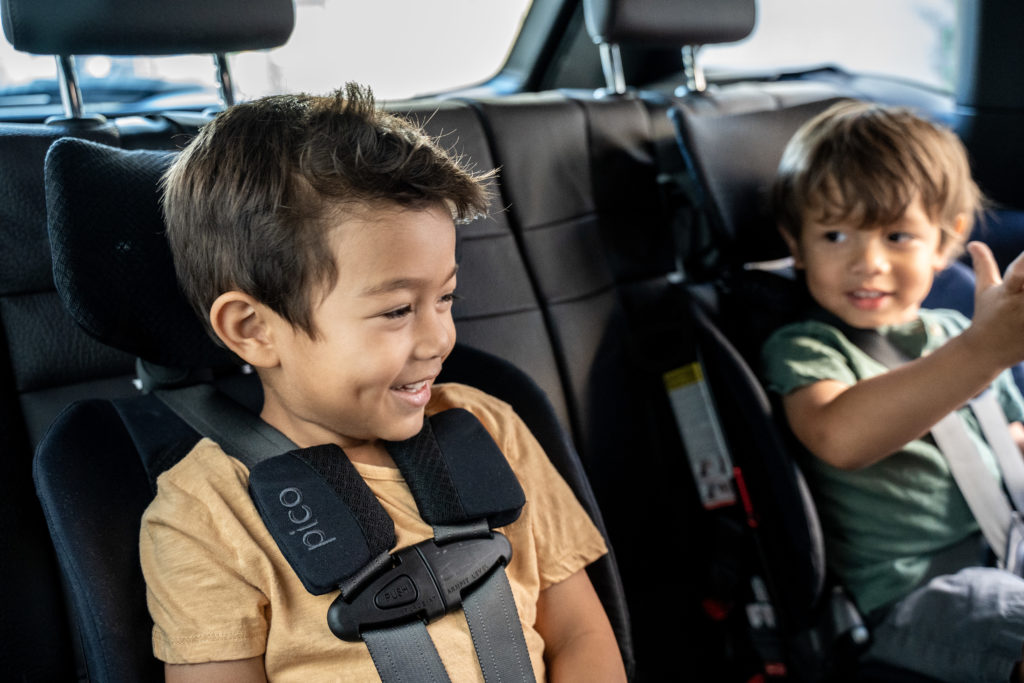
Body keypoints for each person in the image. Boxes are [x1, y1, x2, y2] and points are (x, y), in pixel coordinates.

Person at [139, 83, 626, 682]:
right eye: (397, 311)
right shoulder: (206, 515)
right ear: (254, 329)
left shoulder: (490, 427)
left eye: (445, 297)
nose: (440, 339)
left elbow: (580, 634)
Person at [761, 100, 1024, 682]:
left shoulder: (955, 332)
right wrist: (984, 351)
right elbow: (838, 436)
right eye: (835, 235)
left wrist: (982, 351)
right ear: (796, 246)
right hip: (916, 595)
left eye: (898, 236)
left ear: (945, 239)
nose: (869, 262)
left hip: (1008, 549)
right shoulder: (807, 347)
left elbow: (1009, 437)